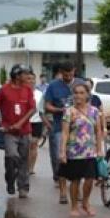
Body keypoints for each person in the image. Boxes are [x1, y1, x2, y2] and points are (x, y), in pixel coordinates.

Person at [59, 82, 104, 217]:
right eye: (76, 93)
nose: (78, 96)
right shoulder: (69, 111)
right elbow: (65, 132)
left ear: (87, 95)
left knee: (90, 179)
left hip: (90, 151)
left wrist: (100, 149)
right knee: (75, 180)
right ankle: (74, 206)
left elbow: (98, 131)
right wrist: (62, 151)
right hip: (74, 151)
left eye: (81, 93)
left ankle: (85, 202)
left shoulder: (94, 111)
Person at [0, 64, 36, 197]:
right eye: (24, 74)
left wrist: (20, 123)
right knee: (12, 156)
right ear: (17, 76)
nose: (27, 77)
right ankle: (10, 180)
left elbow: (32, 109)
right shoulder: (3, 90)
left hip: (24, 131)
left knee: (24, 159)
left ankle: (23, 187)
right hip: (9, 132)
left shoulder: (27, 90)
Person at [44, 61, 78, 204]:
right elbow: (47, 105)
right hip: (59, 126)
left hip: (78, 128)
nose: (68, 77)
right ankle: (63, 192)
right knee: (61, 158)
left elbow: (90, 103)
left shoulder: (81, 84)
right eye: (65, 74)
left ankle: (77, 189)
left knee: (78, 160)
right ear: (61, 72)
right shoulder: (53, 86)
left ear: (74, 71)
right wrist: (60, 110)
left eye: (70, 74)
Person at [27, 72, 44, 175]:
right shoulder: (22, 92)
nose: (31, 81)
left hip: (37, 122)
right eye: (29, 79)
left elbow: (42, 109)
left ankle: (31, 168)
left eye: (33, 79)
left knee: (34, 145)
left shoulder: (40, 94)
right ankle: (24, 166)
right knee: (26, 145)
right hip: (25, 122)